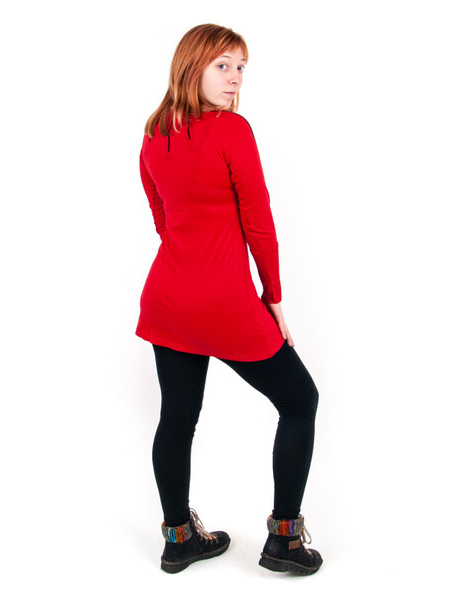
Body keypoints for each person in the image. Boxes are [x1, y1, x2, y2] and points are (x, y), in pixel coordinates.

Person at [135, 23, 322, 576]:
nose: (235, 77)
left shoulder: (153, 133)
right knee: (300, 401)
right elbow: (259, 222)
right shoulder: (231, 129)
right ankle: (284, 539)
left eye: (241, 67)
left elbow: (163, 220)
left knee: (177, 419)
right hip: (225, 302)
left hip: (168, 299)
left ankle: (178, 539)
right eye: (223, 65)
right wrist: (273, 298)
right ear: (191, 65)